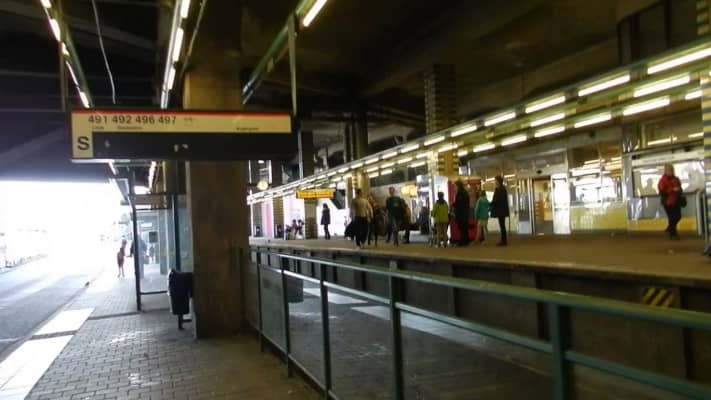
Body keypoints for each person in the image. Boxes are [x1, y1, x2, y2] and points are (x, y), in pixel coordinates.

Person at [658, 164, 683, 239]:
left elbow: (680, 188)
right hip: (667, 202)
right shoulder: (663, 180)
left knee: (678, 216)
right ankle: (673, 233)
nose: (671, 171)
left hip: (676, 201)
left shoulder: (676, 179)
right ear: (666, 171)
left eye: (671, 170)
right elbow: (661, 191)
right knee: (673, 217)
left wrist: (679, 189)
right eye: (669, 170)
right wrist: (672, 190)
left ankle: (670, 229)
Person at [490, 176, 510, 246]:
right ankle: (503, 240)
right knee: (502, 225)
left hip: (500, 210)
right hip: (502, 210)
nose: (495, 182)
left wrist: (491, 203)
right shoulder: (503, 189)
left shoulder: (499, 189)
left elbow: (497, 200)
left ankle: (503, 241)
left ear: (498, 181)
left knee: (502, 225)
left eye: (495, 180)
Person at [453, 180, 470, 246]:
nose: (454, 187)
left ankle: (462, 241)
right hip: (465, 213)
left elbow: (459, 203)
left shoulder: (460, 193)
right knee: (464, 228)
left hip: (461, 214)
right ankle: (466, 241)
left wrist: (453, 205)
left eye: (455, 186)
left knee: (462, 227)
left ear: (458, 186)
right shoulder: (464, 192)